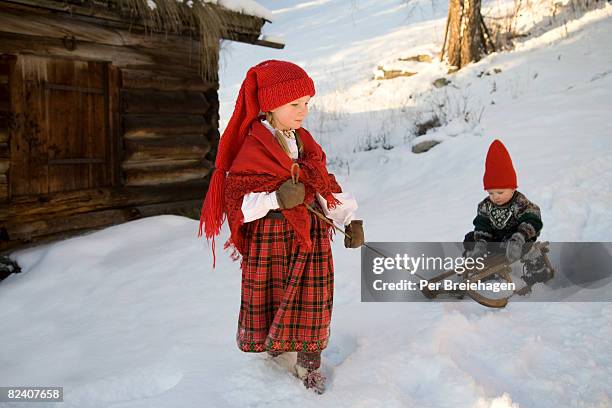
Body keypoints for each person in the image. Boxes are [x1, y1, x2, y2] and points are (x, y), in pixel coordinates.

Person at [198, 60, 364, 394]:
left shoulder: (305, 143)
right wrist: (276, 199)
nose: (303, 111)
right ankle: (276, 347)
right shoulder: (253, 146)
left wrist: (348, 218)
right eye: (295, 104)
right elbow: (240, 204)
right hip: (271, 238)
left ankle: (309, 362)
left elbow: (322, 185)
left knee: (314, 299)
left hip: (310, 237)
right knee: (274, 295)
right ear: (271, 105)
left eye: (307, 103)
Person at [463, 140, 551, 283]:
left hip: (516, 237)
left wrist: (520, 237)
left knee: (526, 245)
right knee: (469, 238)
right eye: (491, 193)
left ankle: (537, 267)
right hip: (497, 239)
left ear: (513, 188)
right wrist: (481, 242)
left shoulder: (519, 202)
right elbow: (482, 224)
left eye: (500, 192)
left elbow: (532, 219)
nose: (495, 196)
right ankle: (481, 265)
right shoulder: (485, 205)